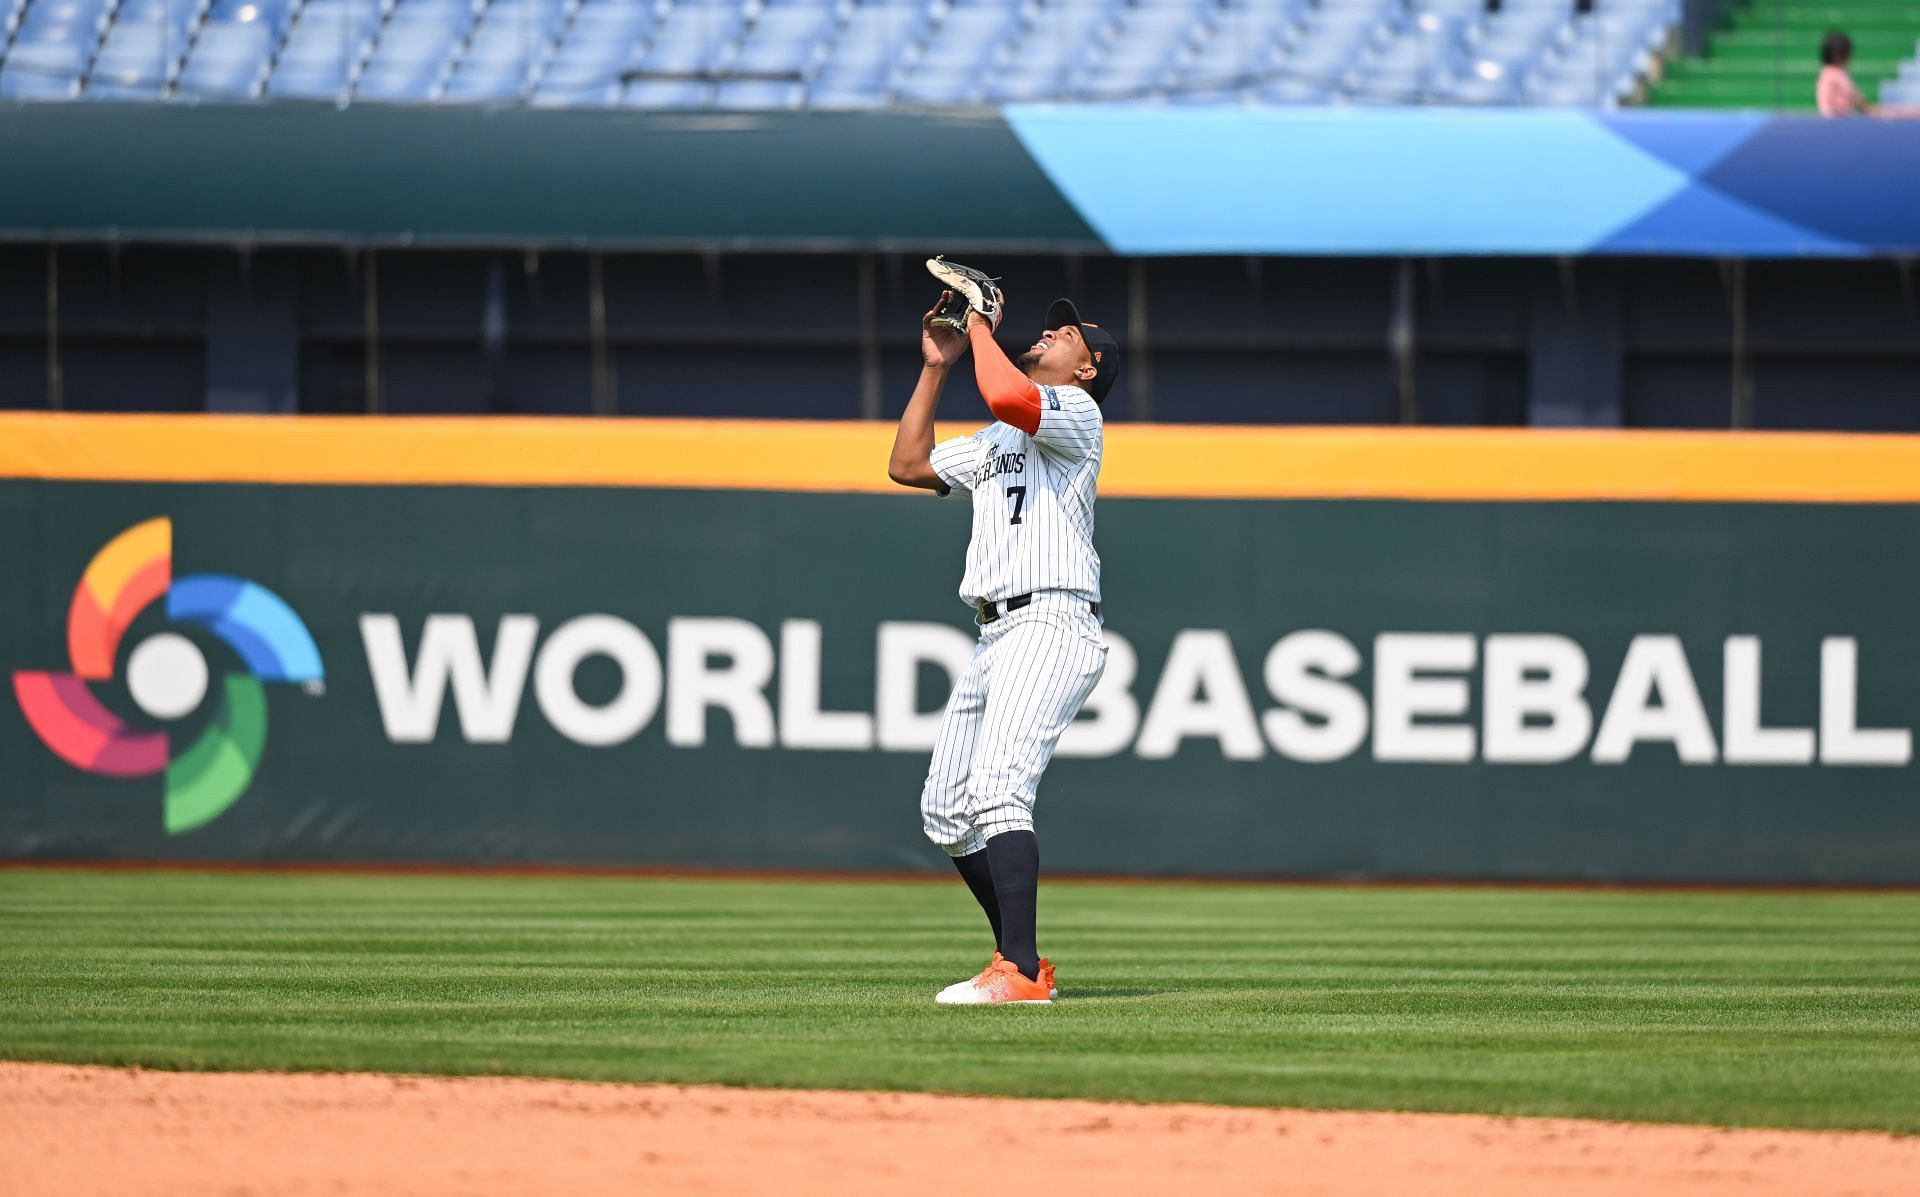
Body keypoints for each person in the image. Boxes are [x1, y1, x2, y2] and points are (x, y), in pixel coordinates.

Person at [886, 259, 1120, 1005]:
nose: (1050, 329)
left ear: (1088, 367)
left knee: (997, 789)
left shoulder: (1078, 414)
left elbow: (1010, 392)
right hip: (995, 630)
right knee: (947, 810)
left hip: (1052, 615)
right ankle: (1021, 958)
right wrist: (933, 367)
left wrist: (982, 324)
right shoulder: (998, 435)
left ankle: (1017, 970)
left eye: (1068, 331)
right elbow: (907, 463)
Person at [1817, 31, 1871, 117]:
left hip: (1842, 119)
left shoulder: (1834, 74)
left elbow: (1854, 96)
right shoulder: (1832, 75)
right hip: (1836, 121)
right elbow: (1825, 99)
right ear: (1837, 55)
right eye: (1847, 53)